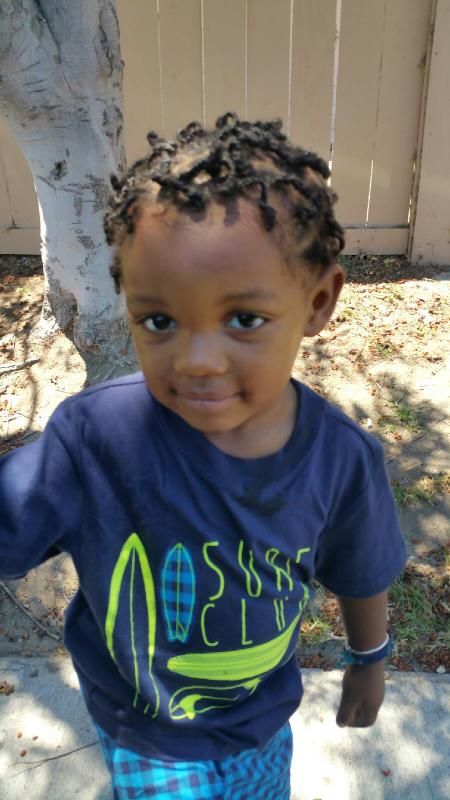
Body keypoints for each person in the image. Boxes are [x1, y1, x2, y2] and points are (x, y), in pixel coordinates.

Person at [0, 113, 407, 799]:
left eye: (244, 319)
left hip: (260, 719)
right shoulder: (93, 440)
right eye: (158, 320)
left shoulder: (341, 459)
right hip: (146, 729)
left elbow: (361, 570)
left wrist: (369, 658)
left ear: (317, 302)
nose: (196, 360)